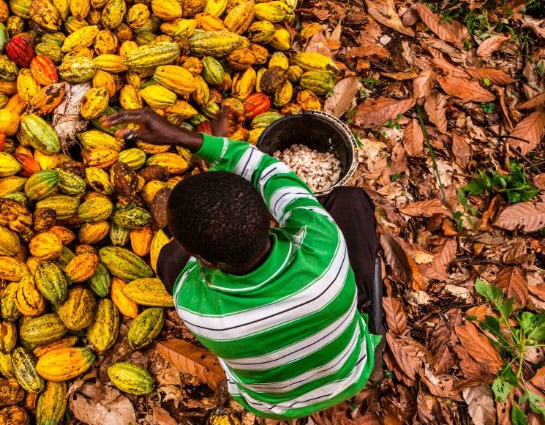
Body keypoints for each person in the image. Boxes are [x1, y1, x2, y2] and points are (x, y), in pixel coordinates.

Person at [104, 107, 384, 420]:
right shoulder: (324, 242)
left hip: (273, 404)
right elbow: (266, 170)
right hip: (351, 373)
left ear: (205, 262)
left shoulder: (198, 311)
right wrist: (192, 139)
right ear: (271, 217)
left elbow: (193, 250)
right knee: (350, 201)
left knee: (168, 258)